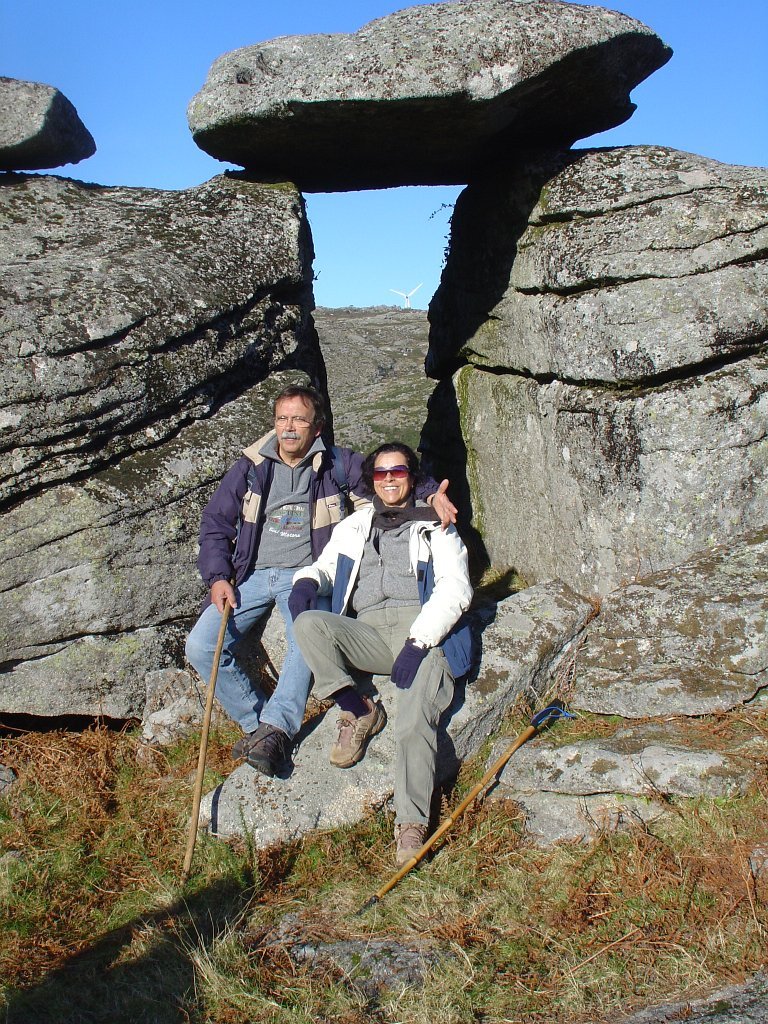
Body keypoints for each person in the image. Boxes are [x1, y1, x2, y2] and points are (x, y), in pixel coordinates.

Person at [185, 386, 457, 778]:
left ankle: (278, 730)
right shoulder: (251, 466)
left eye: (299, 419)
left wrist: (432, 497)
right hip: (251, 575)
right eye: (282, 418)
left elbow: (392, 475)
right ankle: (257, 724)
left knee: (303, 639)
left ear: (317, 427)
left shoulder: (337, 464)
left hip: (306, 573)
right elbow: (215, 522)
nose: (288, 427)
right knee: (200, 645)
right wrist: (217, 577)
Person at [289, 442, 473, 866]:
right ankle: (359, 709)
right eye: (380, 473)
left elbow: (456, 590)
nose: (389, 479)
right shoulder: (355, 525)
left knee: (413, 721)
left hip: (423, 633)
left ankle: (411, 824)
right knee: (308, 624)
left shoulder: (436, 525)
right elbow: (327, 565)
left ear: (412, 477)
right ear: (371, 480)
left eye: (399, 471)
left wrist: (418, 642)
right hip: (369, 632)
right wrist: (307, 582)